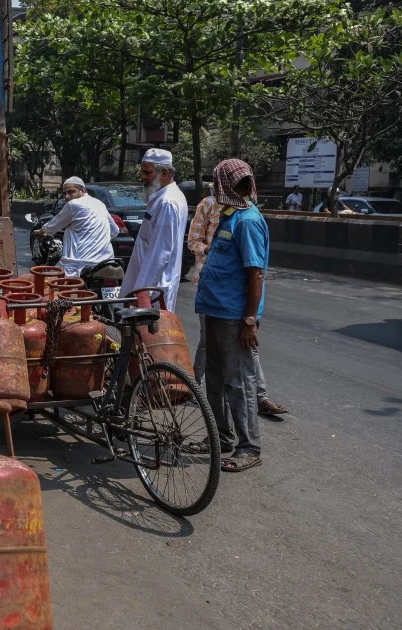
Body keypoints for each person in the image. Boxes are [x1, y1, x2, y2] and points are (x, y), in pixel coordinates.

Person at [196, 159, 270, 472]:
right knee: (214, 376)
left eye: (217, 182)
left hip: (233, 314)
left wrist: (249, 321)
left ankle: (248, 446)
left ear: (225, 184)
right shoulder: (230, 215)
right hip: (213, 309)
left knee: (238, 381)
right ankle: (221, 436)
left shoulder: (249, 221)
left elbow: (255, 273)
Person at [188, 188, 288, 417]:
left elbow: (255, 271)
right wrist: (209, 249)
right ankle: (194, 385)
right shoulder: (208, 205)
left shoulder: (247, 215)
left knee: (246, 349)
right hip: (212, 289)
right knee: (209, 347)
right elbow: (193, 241)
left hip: (237, 295)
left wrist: (251, 317)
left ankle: (259, 397)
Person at [120, 148, 188, 310]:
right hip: (148, 284)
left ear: (164, 173)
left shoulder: (168, 202)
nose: (143, 177)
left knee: (151, 332)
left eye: (147, 173)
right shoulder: (162, 198)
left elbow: (161, 252)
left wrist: (143, 290)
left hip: (153, 288)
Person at [32, 176, 118, 277]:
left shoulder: (73, 205)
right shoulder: (100, 204)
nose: (67, 197)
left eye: (71, 192)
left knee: (47, 284)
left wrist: (40, 231)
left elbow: (53, 225)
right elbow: (115, 231)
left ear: (82, 190)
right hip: (107, 261)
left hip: (79, 264)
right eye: (64, 194)